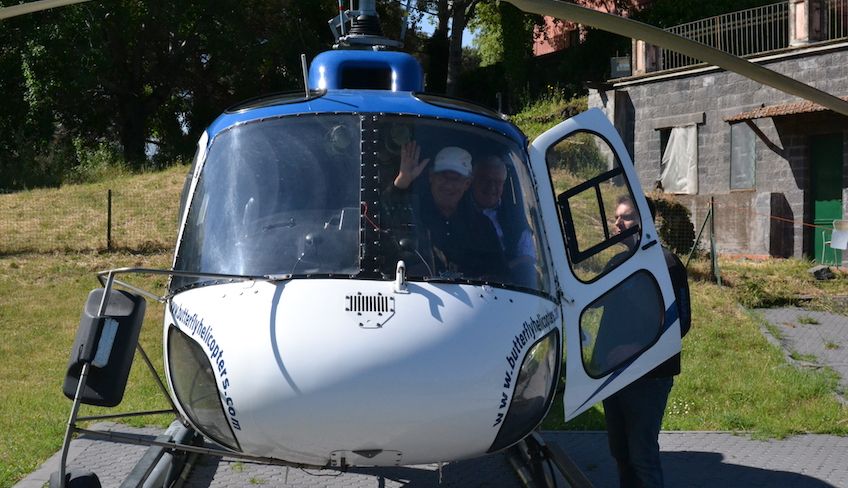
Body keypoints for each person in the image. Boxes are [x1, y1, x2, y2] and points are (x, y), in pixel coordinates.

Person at [601, 195, 690, 488]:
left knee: (642, 455)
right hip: (612, 375)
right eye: (617, 217)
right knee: (621, 452)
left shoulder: (666, 263)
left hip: (648, 377)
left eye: (625, 217)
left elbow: (681, 322)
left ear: (645, 223)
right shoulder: (616, 262)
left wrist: (634, 350)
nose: (617, 223)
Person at [383, 141, 508, 280]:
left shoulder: (483, 226)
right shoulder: (412, 212)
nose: (449, 185)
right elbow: (384, 214)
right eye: (443, 176)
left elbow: (500, 275)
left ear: (467, 183)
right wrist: (402, 182)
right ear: (431, 177)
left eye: (456, 179)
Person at [471, 155, 537, 287]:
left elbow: (527, 256)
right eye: (486, 180)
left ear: (504, 184)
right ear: (472, 180)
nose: (491, 187)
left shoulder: (515, 215)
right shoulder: (458, 209)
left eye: (498, 182)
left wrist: (500, 271)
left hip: (507, 286)